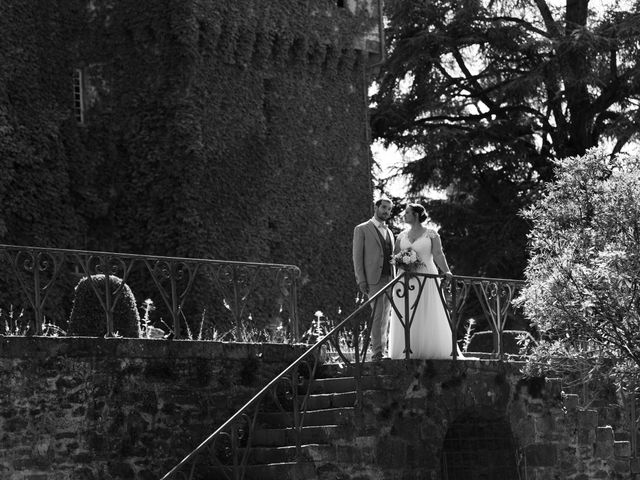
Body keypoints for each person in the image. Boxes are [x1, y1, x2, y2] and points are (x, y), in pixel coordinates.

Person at [388, 203, 460, 359]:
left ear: (415, 215)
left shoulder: (431, 234)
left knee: (427, 310)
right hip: (405, 279)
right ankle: (406, 349)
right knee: (407, 312)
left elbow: (438, 254)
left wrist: (447, 271)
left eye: (407, 213)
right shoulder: (401, 236)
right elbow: (395, 256)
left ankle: (430, 349)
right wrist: (398, 271)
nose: (404, 215)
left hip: (426, 277)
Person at [352, 197, 395, 362]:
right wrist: (361, 280)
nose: (386, 211)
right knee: (378, 314)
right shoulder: (362, 229)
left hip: (390, 278)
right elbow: (357, 257)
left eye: (389, 209)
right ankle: (377, 352)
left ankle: (381, 350)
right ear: (376, 208)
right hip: (373, 279)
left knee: (386, 316)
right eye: (384, 207)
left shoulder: (389, 232)